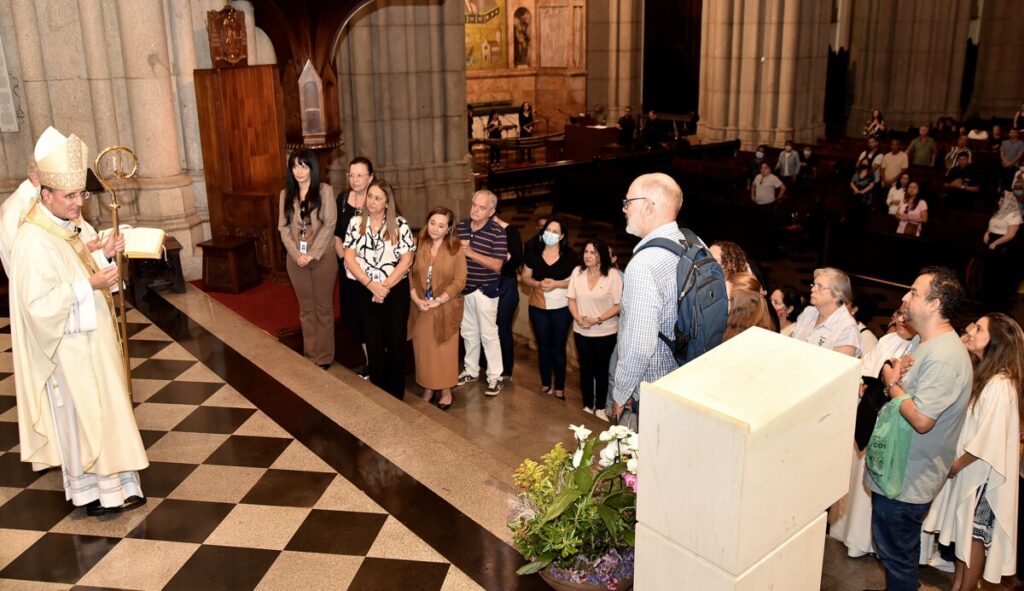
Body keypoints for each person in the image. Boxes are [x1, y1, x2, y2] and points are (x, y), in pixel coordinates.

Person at [10, 127, 148, 516]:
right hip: (67, 351)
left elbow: (76, 267)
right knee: (86, 419)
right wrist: (88, 283)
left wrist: (101, 254)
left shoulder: (64, 228)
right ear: (46, 193)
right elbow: (37, 305)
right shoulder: (32, 240)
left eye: (81, 194)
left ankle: (120, 485)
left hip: (91, 342)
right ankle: (95, 493)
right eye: (70, 196)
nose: (78, 203)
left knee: (108, 412)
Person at [869, 267, 973, 591]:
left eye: (914, 291)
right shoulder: (922, 341)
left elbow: (922, 420)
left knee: (898, 559)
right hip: (899, 473)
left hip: (907, 480)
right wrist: (897, 378)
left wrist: (890, 384)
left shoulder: (944, 357)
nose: (904, 297)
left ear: (934, 303)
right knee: (894, 554)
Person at [924, 313, 1024, 590]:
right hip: (971, 470)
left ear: (996, 342)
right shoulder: (987, 377)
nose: (971, 330)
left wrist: (957, 464)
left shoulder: (1000, 386)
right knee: (963, 532)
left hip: (982, 475)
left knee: (973, 536)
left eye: (979, 328)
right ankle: (958, 584)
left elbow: (989, 439)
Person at [613, 173, 707, 418]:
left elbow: (640, 345)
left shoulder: (644, 264)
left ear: (648, 205)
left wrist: (621, 392)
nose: (624, 209)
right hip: (687, 378)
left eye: (628, 202)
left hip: (652, 390)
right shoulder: (694, 242)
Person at [830, 310, 920, 558]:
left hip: (891, 428)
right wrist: (861, 382)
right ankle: (845, 533)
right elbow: (864, 367)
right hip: (868, 419)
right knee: (856, 484)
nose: (900, 320)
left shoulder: (919, 349)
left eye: (906, 317)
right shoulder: (888, 341)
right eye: (898, 316)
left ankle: (868, 544)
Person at [342, 179, 415, 399]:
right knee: (373, 343)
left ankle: (396, 394)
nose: (372, 202)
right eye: (370, 196)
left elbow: (407, 260)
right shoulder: (356, 223)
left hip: (394, 292)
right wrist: (370, 284)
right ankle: (379, 393)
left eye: (377, 198)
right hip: (366, 290)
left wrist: (384, 286)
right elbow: (349, 257)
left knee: (394, 342)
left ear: (387, 202)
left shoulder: (399, 224)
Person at [279, 149, 338, 370]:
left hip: (323, 257)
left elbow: (329, 224)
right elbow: (283, 228)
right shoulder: (286, 194)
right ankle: (310, 353)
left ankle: (324, 356)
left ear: (312, 168)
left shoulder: (325, 191)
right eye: (295, 166)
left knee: (323, 307)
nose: (299, 172)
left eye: (304, 166)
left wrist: (312, 254)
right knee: (306, 309)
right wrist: (297, 255)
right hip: (296, 260)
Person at [408, 208, 467, 410]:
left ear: (448, 229)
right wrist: (416, 299)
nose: (435, 228)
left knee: (443, 351)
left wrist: (439, 300)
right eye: (432, 223)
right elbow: (408, 274)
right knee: (424, 351)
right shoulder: (418, 245)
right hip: (421, 307)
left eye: (441, 225)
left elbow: (460, 280)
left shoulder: (455, 249)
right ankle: (427, 387)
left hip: (445, 307)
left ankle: (445, 390)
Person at [456, 190, 508, 396]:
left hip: (486, 290)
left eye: (482, 207)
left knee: (488, 334)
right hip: (465, 289)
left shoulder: (497, 232)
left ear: (492, 211)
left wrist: (470, 252)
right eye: (474, 205)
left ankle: (495, 377)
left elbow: (497, 265)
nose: (476, 210)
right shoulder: (461, 226)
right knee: (468, 332)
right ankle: (471, 370)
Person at [522, 217, 579, 400]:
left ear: (562, 235)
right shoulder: (533, 251)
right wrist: (537, 284)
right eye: (548, 230)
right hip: (538, 306)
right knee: (543, 346)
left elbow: (576, 280)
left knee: (558, 347)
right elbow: (525, 277)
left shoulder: (570, 255)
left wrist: (557, 284)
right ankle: (546, 383)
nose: (551, 234)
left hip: (562, 308)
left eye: (555, 232)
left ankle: (560, 387)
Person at [567, 238, 622, 420]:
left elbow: (617, 305)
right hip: (581, 330)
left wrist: (597, 319)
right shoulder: (577, 272)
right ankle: (587, 405)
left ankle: (600, 408)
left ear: (601, 256)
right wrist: (577, 318)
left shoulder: (613, 275)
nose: (588, 256)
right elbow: (571, 299)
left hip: (605, 332)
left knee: (601, 370)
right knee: (586, 368)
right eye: (586, 252)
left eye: (593, 253)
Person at [334, 157, 373, 378]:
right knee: (354, 316)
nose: (355, 179)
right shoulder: (341, 200)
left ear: (370, 177)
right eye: (351, 175)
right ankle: (369, 361)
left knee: (372, 316)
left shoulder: (377, 199)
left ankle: (379, 361)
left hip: (372, 271)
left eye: (360, 175)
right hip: (348, 271)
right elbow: (337, 235)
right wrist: (346, 261)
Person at [790, 267, 861, 357]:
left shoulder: (847, 328)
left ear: (837, 295)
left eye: (820, 286)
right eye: (814, 285)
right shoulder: (809, 312)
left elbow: (839, 368)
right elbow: (790, 344)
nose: (813, 289)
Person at [976, 190, 1022, 309]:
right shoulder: (998, 213)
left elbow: (1010, 235)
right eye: (1000, 200)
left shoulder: (1014, 215)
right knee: (987, 271)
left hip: (1003, 245)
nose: (1000, 202)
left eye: (1003, 200)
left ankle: (997, 301)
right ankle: (985, 298)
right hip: (992, 242)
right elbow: (991, 226)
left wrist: (996, 243)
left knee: (998, 273)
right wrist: (987, 233)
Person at [492, 214, 522, 381]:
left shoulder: (511, 232)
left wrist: (500, 259)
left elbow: (515, 260)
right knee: (488, 328)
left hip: (506, 284)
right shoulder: (481, 230)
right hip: (488, 283)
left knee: (503, 327)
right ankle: (489, 365)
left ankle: (506, 369)